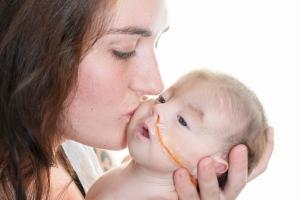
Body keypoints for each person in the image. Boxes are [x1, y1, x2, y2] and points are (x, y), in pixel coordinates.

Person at [0, 0, 274, 200]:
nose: (155, 86)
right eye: (124, 51)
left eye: (156, 44)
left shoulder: (94, 157)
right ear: (35, 51)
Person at [85, 69, 269, 200]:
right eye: (163, 98)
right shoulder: (125, 164)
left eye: (183, 121)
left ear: (210, 166)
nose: (158, 109)